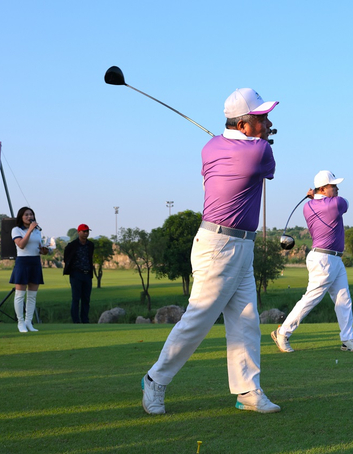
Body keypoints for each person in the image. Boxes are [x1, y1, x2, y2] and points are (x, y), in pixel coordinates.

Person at [141, 88, 280, 415]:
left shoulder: (210, 147)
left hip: (240, 244)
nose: (269, 122)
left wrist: (234, 138)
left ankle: (247, 390)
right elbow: (267, 166)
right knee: (199, 319)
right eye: (262, 118)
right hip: (221, 246)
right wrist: (260, 139)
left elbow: (226, 149)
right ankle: (155, 379)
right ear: (245, 125)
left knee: (246, 320)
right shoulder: (258, 151)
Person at [271, 171, 353, 353]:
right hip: (324, 259)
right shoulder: (336, 204)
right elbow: (345, 203)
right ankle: (282, 332)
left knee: (344, 300)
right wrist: (316, 196)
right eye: (333, 186)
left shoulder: (308, 206)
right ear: (323, 188)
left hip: (334, 259)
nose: (337, 189)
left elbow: (317, 200)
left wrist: (313, 196)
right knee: (311, 299)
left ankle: (347, 339)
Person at [9, 206, 49, 333]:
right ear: (21, 217)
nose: (29, 217)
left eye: (31, 214)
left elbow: (37, 246)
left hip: (35, 262)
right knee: (20, 295)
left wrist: (44, 250)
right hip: (22, 262)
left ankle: (28, 322)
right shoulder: (16, 230)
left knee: (32, 296)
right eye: (26, 215)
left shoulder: (37, 231)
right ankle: (20, 323)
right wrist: (30, 230)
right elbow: (21, 244)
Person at [63, 223, 95, 323]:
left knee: (86, 299)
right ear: (79, 232)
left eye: (87, 231)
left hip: (87, 274)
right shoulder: (72, 245)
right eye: (84, 231)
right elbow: (66, 258)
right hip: (76, 274)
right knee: (76, 298)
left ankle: (85, 319)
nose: (86, 233)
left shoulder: (90, 245)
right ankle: (76, 320)